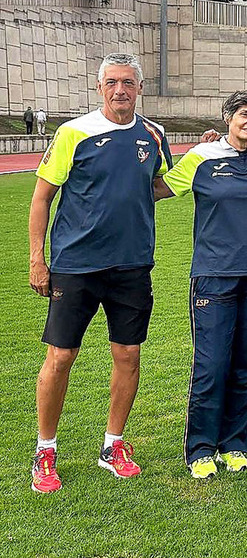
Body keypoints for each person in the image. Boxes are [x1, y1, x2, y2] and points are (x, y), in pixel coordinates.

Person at [29, 53, 171, 494]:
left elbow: (157, 186)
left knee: (128, 356)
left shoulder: (154, 134)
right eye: (111, 82)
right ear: (99, 87)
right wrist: (38, 258)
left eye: (128, 82)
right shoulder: (74, 132)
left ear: (140, 88)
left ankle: (113, 445)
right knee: (61, 357)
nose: (120, 90)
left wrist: (201, 160)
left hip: (131, 265)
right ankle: (45, 449)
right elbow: (41, 199)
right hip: (75, 266)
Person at [155, 91, 247, 479]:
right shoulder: (201, 157)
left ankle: (236, 443)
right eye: (244, 114)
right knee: (211, 365)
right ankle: (201, 448)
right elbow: (157, 189)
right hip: (213, 276)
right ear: (228, 117)